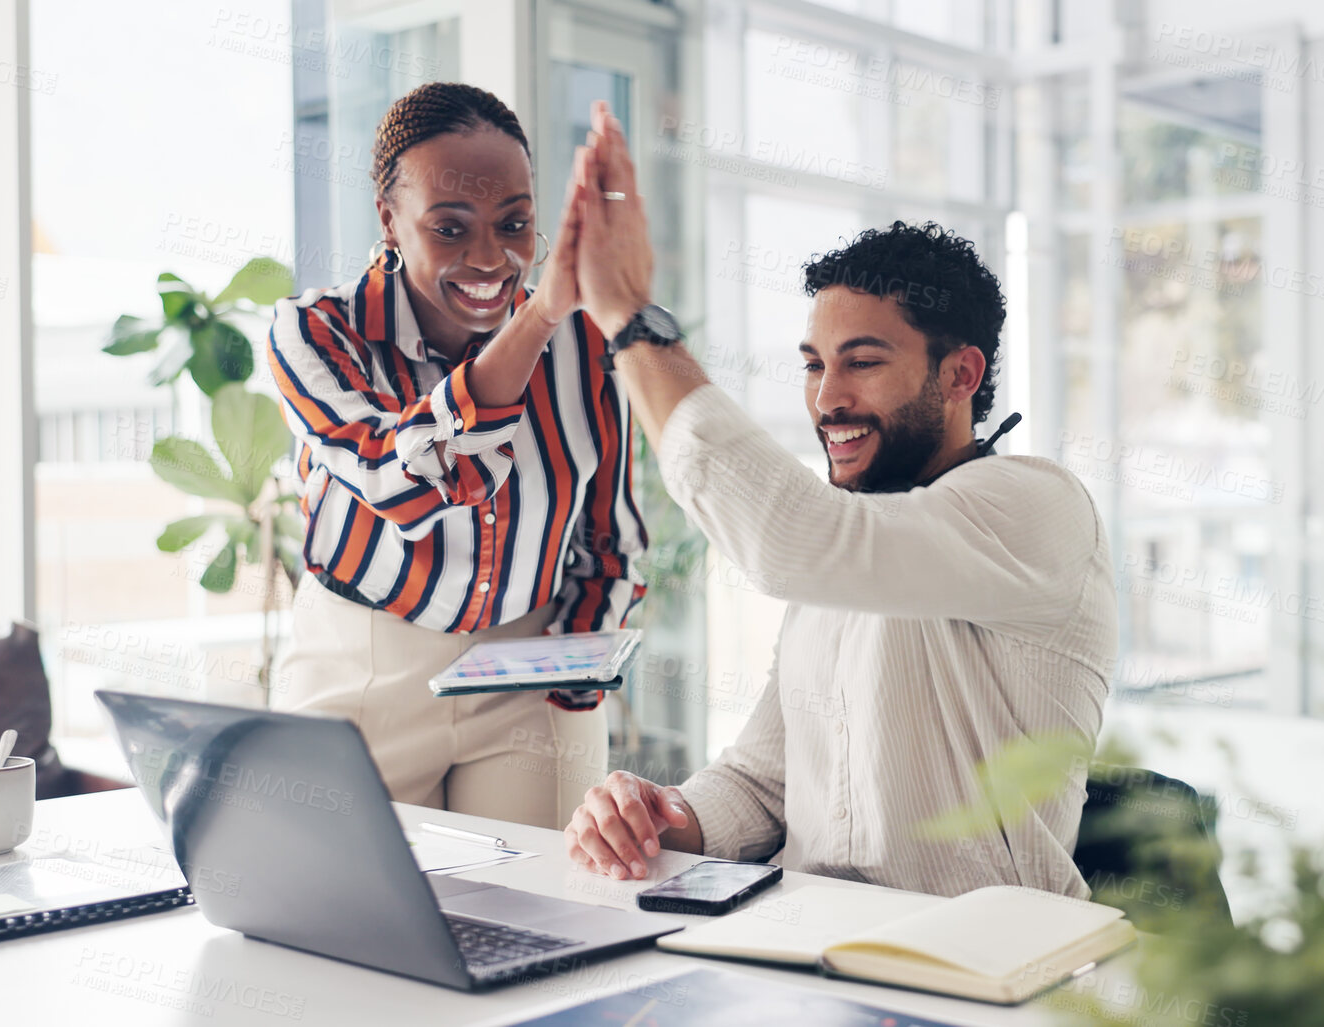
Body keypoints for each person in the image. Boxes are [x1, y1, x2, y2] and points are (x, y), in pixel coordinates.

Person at [557, 106, 1115, 898]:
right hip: (813, 947)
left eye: (863, 362)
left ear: (960, 375)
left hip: (976, 963)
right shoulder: (854, 540)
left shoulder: (1032, 506)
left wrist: (629, 319)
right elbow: (760, 785)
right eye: (815, 364)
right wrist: (660, 812)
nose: (827, 399)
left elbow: (790, 538)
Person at [267, 84, 645, 829]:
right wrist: (537, 318)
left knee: (548, 917)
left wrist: (569, 682)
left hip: (527, 677)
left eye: (515, 223)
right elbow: (404, 479)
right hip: (362, 668)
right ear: (390, 220)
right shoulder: (314, 334)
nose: (490, 258)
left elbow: (611, 539)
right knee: (353, 920)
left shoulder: (587, 346)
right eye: (449, 227)